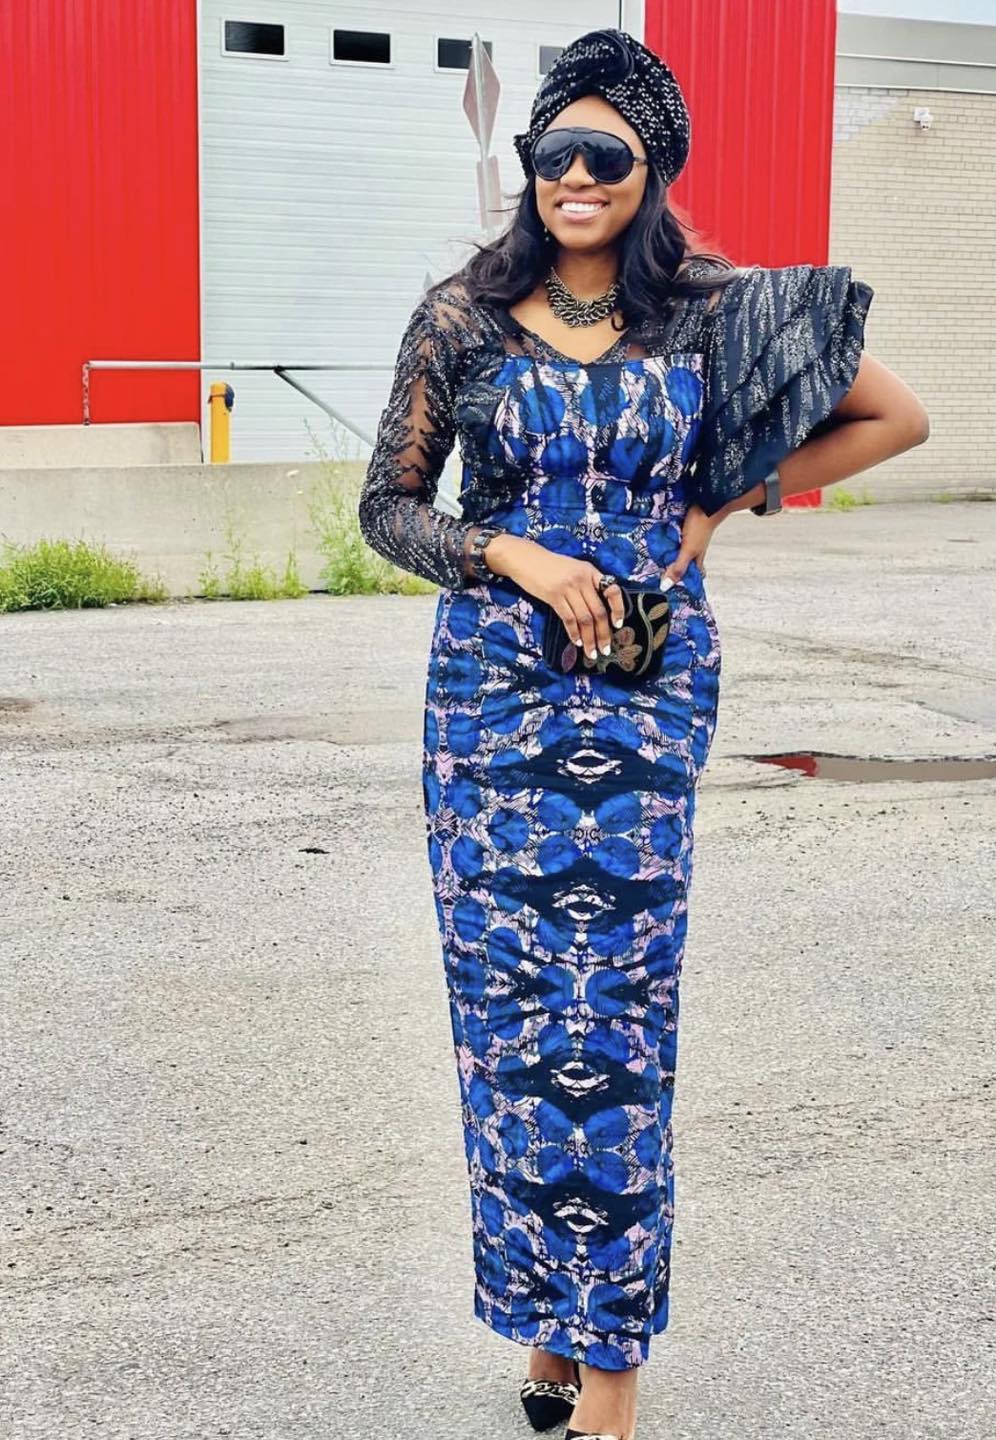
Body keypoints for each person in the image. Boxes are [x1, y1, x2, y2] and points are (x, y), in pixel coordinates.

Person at [357, 27, 928, 1440]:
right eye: (555, 149)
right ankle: (544, 1328)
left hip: (643, 691)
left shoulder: (715, 311)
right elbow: (388, 508)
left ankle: (609, 1366)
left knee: (614, 1015)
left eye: (606, 154)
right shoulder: (462, 317)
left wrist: (723, 500)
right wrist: (511, 553)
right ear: (530, 162)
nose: (577, 175)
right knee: (511, 1022)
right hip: (491, 704)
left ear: (651, 169)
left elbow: (895, 415)